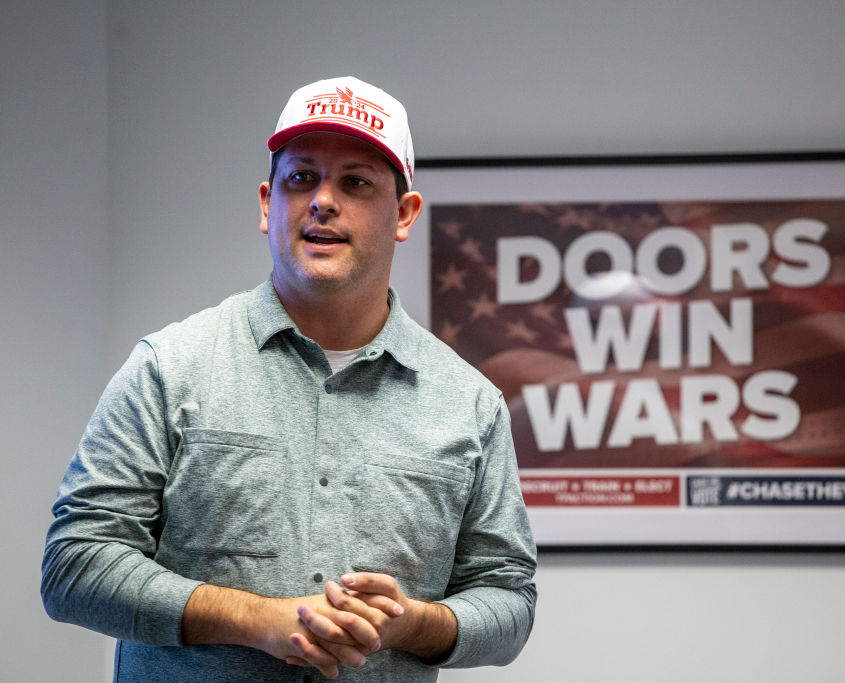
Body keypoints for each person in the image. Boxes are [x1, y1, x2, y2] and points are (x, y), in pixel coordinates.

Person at [41, 76, 538, 682]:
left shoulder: (469, 404)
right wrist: (253, 619)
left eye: (355, 182)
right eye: (301, 177)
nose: (323, 200)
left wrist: (412, 624)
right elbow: (75, 566)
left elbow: (508, 599)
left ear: (404, 214)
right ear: (266, 203)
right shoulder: (169, 367)